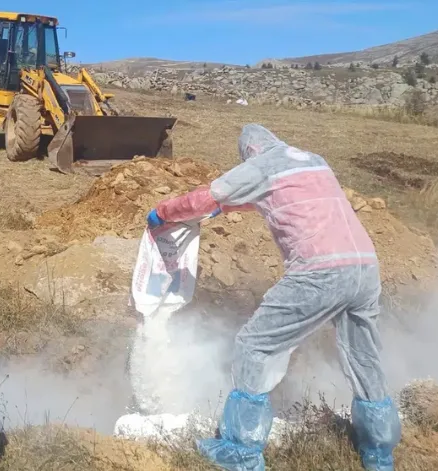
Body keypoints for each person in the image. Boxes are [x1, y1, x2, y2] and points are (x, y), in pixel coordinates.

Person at [147, 124, 401, 471]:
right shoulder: (313, 160)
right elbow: (287, 197)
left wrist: (164, 213)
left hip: (319, 271)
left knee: (255, 346)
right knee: (363, 356)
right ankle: (379, 452)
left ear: (248, 151)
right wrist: (232, 209)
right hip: (365, 268)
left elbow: (205, 198)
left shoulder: (260, 166)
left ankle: (241, 450)